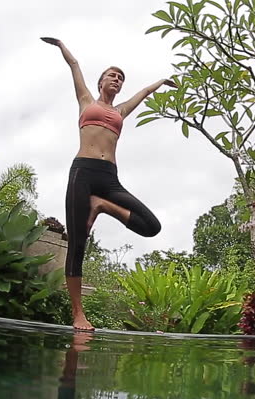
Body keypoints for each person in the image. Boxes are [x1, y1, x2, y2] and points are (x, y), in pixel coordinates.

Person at [41, 37, 176, 331]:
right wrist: (63, 44)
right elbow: (74, 65)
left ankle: (101, 206)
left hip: (109, 178)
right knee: (77, 244)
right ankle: (78, 314)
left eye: (121, 78)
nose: (117, 79)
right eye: (112, 75)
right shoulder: (86, 101)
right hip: (83, 172)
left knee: (151, 225)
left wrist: (160, 82)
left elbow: (143, 93)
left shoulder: (121, 111)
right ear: (101, 81)